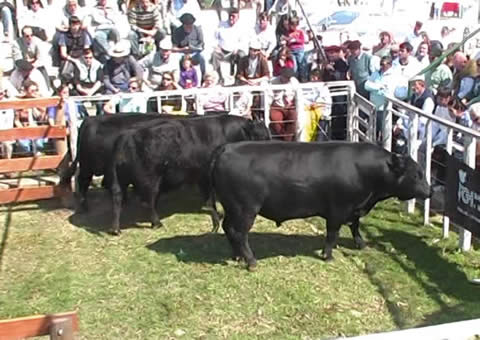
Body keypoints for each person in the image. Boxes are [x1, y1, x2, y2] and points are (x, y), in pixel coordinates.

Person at [365, 56, 400, 142]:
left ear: (390, 64)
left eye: (384, 64)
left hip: (385, 107)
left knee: (385, 130)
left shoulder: (394, 75)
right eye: (381, 64)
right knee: (374, 129)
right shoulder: (375, 73)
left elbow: (389, 90)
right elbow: (367, 85)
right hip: (374, 106)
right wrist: (379, 87)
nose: (382, 66)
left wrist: (378, 88)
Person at [211, 8, 247, 85]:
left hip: (235, 51)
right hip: (222, 51)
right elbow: (214, 38)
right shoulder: (221, 24)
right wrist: (216, 46)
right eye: (230, 16)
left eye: (233, 16)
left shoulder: (241, 27)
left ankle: (238, 78)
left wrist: (237, 48)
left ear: (238, 17)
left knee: (242, 55)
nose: (231, 18)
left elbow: (243, 41)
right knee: (214, 55)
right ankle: (219, 78)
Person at [299, 68, 332, 142]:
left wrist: (318, 104)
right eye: (312, 76)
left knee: (322, 123)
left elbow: (327, 101)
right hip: (307, 111)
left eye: (315, 76)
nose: (313, 78)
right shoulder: (306, 86)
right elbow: (302, 97)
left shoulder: (324, 87)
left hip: (320, 111)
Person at [171, 13, 205, 80]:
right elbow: (173, 48)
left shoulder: (197, 29)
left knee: (203, 57)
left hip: (194, 53)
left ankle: (203, 78)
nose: (189, 26)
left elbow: (202, 44)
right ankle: (178, 79)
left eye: (190, 24)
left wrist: (195, 48)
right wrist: (183, 49)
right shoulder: (177, 31)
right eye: (187, 25)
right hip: (182, 53)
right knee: (175, 58)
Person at [269, 67, 299, 141]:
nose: (288, 79)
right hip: (277, 105)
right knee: (275, 120)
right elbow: (269, 96)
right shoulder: (273, 82)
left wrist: (293, 103)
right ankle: (283, 138)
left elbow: (298, 96)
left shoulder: (294, 82)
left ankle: (288, 139)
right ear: (281, 75)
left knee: (293, 117)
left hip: (290, 106)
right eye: (286, 77)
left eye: (289, 77)